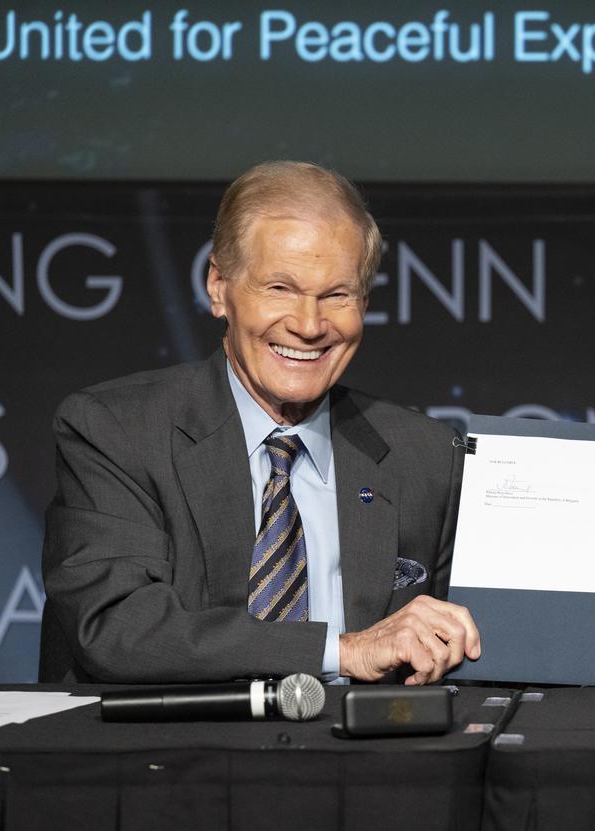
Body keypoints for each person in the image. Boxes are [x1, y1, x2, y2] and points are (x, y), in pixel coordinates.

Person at [40, 161, 480, 685]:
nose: (309, 325)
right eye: (280, 288)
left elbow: (486, 652)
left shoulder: (429, 457)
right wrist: (339, 651)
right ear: (219, 287)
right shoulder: (117, 430)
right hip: (168, 758)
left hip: (364, 761)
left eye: (336, 295)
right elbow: (117, 629)